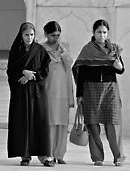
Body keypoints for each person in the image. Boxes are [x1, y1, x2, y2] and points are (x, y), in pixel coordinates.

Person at [72, 19, 126, 167]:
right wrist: (79, 95)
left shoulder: (114, 49)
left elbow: (121, 70)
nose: (102, 35)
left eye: (104, 32)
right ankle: (97, 157)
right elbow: (80, 72)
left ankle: (118, 156)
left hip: (110, 90)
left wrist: (119, 66)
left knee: (113, 123)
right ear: (94, 33)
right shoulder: (87, 49)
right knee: (92, 124)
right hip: (90, 89)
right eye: (99, 32)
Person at [6, 22, 54, 167]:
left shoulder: (40, 50)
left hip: (37, 93)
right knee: (23, 122)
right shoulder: (16, 50)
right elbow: (10, 70)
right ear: (21, 35)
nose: (29, 38)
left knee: (39, 122)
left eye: (32, 35)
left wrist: (31, 75)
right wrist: (22, 71)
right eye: (26, 35)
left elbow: (45, 70)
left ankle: (44, 155)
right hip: (21, 93)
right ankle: (25, 155)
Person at [40, 21, 74, 164]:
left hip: (63, 91)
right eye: (53, 35)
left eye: (58, 35)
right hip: (48, 90)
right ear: (46, 34)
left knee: (62, 123)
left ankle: (59, 154)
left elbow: (69, 63)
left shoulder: (64, 47)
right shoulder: (41, 48)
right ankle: (47, 154)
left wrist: (63, 54)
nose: (56, 38)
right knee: (50, 123)